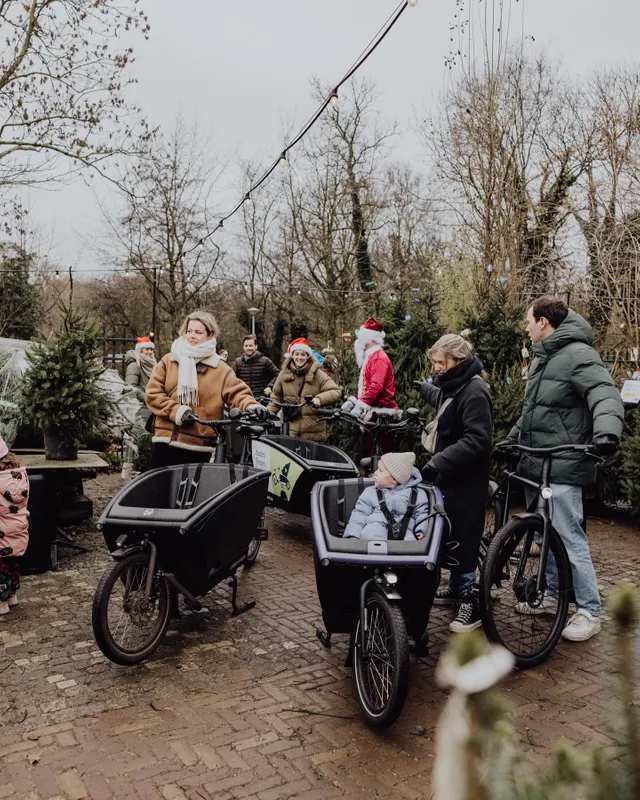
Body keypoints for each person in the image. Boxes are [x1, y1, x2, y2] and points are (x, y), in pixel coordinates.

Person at [506, 296, 624, 642]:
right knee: (544, 536)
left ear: (544, 322)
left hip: (563, 462)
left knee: (570, 538)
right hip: (536, 462)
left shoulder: (577, 355)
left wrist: (606, 433)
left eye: (529, 321)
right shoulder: (544, 358)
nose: (526, 328)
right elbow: (535, 412)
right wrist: (511, 441)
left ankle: (589, 610)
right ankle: (553, 596)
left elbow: (605, 394)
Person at [416, 334, 493, 633]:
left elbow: (478, 439)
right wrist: (424, 390)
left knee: (464, 538)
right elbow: (445, 400)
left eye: (441, 362)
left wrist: (439, 462)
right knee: (449, 533)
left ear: (457, 361)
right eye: (434, 362)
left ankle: (471, 600)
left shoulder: (475, 391)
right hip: (449, 478)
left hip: (466, 482)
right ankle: (456, 586)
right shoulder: (455, 383)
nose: (436, 368)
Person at [145, 311, 267, 469]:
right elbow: (153, 393)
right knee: (158, 485)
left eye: (198, 332)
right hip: (165, 440)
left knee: (193, 485)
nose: (191, 336)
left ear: (211, 334)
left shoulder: (220, 368)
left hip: (198, 445)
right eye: (189, 331)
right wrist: (177, 412)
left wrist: (252, 406)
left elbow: (238, 393)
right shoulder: (169, 361)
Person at [344, 452, 430, 541]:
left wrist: (420, 531)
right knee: (369, 533)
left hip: (405, 539)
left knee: (410, 542)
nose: (375, 473)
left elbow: (421, 514)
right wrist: (352, 536)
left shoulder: (417, 494)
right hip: (372, 536)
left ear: (394, 479)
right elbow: (359, 515)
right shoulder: (370, 492)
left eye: (380, 470)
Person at [267, 338, 341, 441]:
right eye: (297, 354)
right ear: (292, 355)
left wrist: (319, 399)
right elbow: (276, 397)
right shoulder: (283, 374)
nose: (299, 357)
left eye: (303, 354)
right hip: (290, 433)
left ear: (308, 356)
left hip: (313, 434)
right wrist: (267, 414)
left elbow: (336, 391)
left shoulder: (318, 374)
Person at [342, 318, 399, 420]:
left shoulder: (378, 358)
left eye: (360, 338)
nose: (358, 341)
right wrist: (354, 400)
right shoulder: (371, 357)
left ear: (368, 338)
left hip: (381, 414)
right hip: (374, 411)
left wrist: (360, 406)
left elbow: (376, 386)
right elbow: (367, 388)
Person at [0, 435, 29, 616]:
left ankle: (1, 602)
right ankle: (12, 595)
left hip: (2, 533)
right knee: (12, 564)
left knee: (1, 568)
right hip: (18, 531)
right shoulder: (19, 477)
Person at [231, 335, 279, 399]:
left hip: (262, 398)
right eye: (246, 346)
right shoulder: (238, 362)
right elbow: (231, 378)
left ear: (256, 346)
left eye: (251, 345)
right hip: (244, 398)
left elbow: (277, 374)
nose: (248, 348)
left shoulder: (265, 361)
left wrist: (270, 386)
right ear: (243, 347)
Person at [125, 336, 157, 424]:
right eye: (147, 349)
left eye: (151, 349)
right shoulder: (134, 365)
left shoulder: (154, 364)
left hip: (153, 405)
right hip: (140, 408)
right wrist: (147, 398)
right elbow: (130, 388)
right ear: (140, 350)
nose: (150, 352)